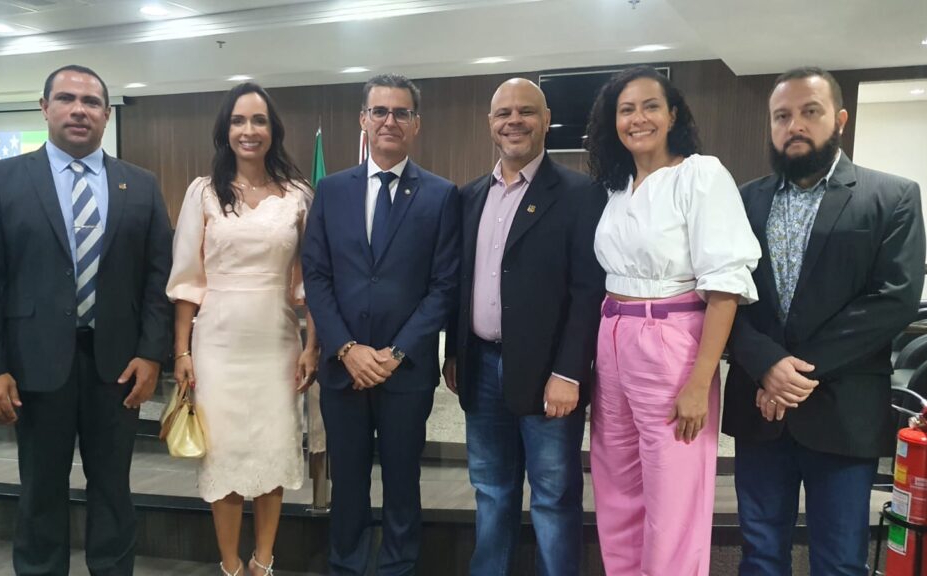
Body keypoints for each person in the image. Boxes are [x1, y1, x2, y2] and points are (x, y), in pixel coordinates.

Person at [0, 64, 173, 575]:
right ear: (45, 108)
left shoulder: (140, 185)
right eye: (67, 99)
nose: (79, 110)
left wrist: (151, 354)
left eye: (91, 102)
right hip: (32, 367)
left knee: (114, 490)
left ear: (106, 114)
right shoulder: (1, 180)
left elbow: (157, 279)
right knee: (40, 490)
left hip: (118, 368)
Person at [723, 67, 926, 576]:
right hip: (759, 408)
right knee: (760, 556)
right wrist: (765, 364)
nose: (794, 125)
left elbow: (893, 300)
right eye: (781, 116)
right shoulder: (741, 201)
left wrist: (790, 373)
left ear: (839, 119)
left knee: (839, 562)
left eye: (809, 112)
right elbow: (724, 296)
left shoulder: (891, 196)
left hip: (843, 410)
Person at [584, 65, 761, 575]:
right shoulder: (617, 188)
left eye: (650, 106)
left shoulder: (700, 175)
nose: (638, 118)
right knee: (617, 485)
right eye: (626, 110)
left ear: (674, 114)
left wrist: (700, 382)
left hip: (670, 339)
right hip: (612, 335)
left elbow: (725, 286)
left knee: (673, 489)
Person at [442, 78, 606, 576]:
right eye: (503, 113)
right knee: (491, 490)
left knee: (553, 497)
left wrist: (570, 372)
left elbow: (587, 292)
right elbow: (459, 283)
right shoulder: (469, 196)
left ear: (546, 119)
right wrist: (455, 353)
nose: (514, 121)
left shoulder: (580, 194)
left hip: (548, 376)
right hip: (480, 367)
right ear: (490, 124)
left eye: (526, 111)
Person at [301, 73, 460, 576]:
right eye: (380, 111)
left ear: (416, 123)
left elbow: (444, 287)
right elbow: (316, 276)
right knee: (348, 482)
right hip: (342, 369)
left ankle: (398, 567)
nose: (390, 120)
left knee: (402, 482)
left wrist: (395, 353)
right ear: (363, 120)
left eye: (401, 112)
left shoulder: (441, 195)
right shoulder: (330, 191)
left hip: (404, 372)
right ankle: (346, 566)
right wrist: (347, 348)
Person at [166, 82, 318, 576]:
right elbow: (188, 280)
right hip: (217, 341)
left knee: (272, 445)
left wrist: (312, 346)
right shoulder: (202, 192)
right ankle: (230, 565)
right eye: (238, 120)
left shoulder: (299, 195)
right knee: (225, 451)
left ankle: (263, 562)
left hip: (276, 339)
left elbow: (312, 280)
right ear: (224, 130)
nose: (248, 130)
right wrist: (182, 351)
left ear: (273, 130)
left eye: (258, 120)